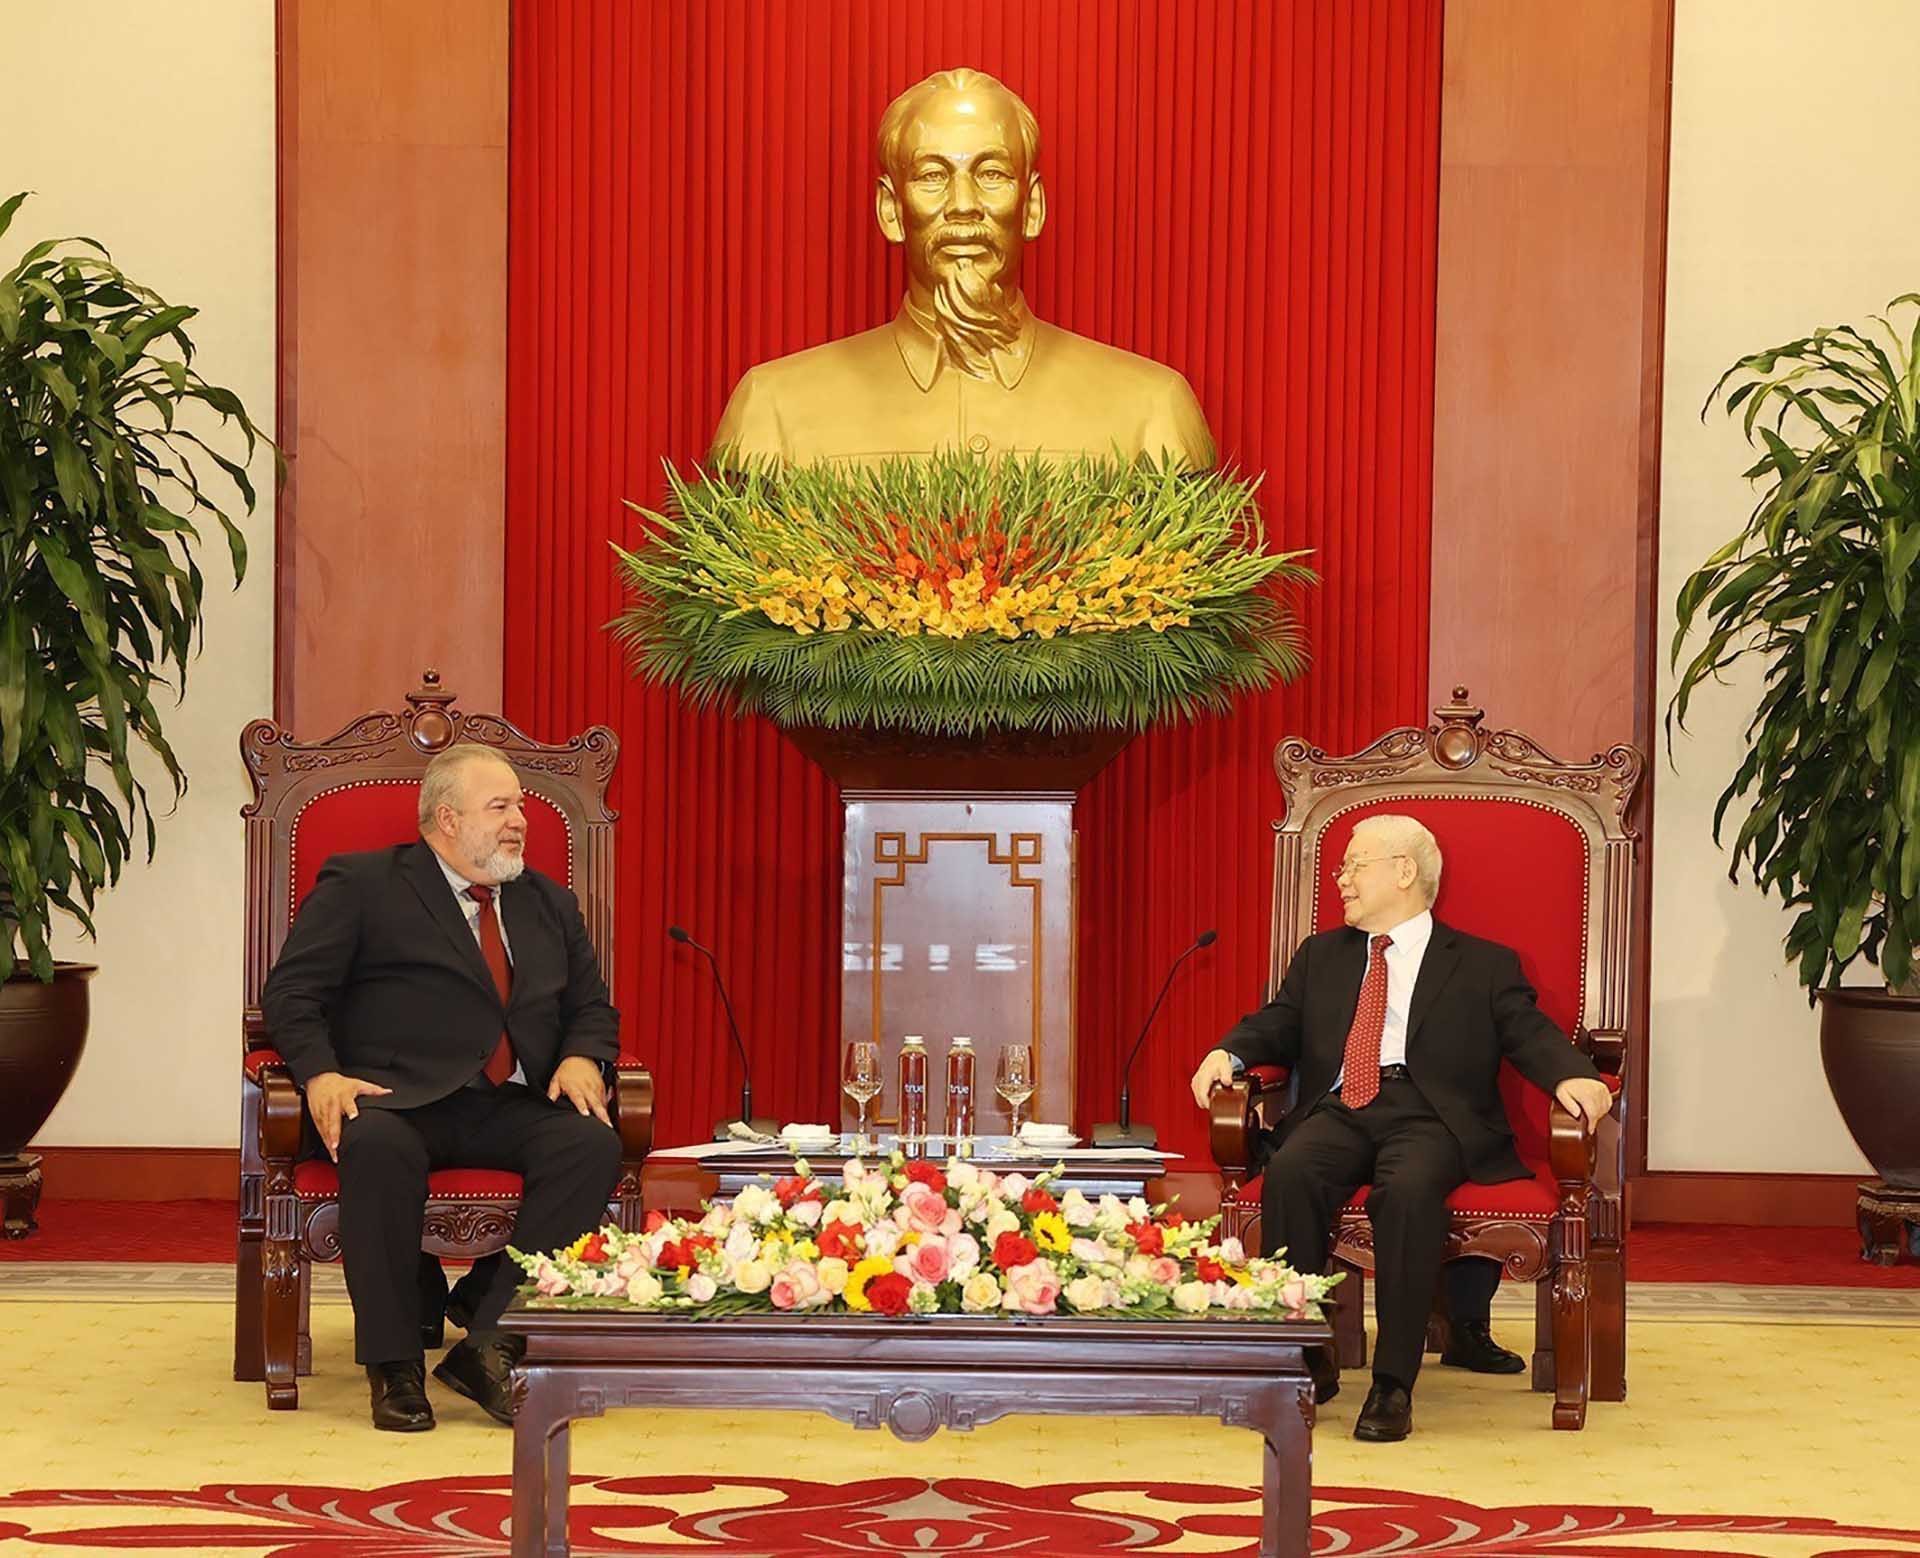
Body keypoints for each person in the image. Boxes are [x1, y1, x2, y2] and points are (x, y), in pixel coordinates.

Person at [1188, 814, 1612, 1443]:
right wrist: (1230, 1052)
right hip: (1341, 1108)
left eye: (1354, 865)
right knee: (1292, 1173)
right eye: (1341, 868)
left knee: (1409, 1191)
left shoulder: (1481, 964)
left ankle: (1393, 1383)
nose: (1340, 879)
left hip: (1431, 1114)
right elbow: (1278, 1022)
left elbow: (1529, 1033)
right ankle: (1308, 1356)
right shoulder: (1322, 955)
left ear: (1405, 872)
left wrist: (1573, 1076)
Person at [261, 744, 623, 1431]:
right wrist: (322, 1074)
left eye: (520, 806)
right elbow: (291, 994)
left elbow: (592, 1007)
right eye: (501, 807)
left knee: (590, 1146)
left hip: (512, 1100)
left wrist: (583, 1056)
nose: (520, 820)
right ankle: (394, 1365)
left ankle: (491, 1342)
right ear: (448, 819)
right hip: (393, 1098)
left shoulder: (546, 901)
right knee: (376, 1148)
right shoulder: (364, 884)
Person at [710, 67, 1214, 469]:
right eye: (932, 176)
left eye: (992, 173)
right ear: (891, 210)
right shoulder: (773, 410)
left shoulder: (1152, 411)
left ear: (1032, 206)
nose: (964, 204)